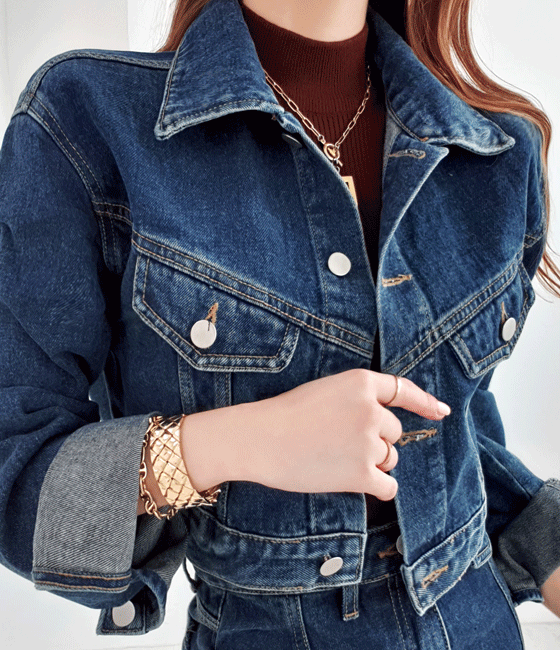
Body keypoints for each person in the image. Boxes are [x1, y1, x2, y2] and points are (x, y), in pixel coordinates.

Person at [0, 0, 559, 647]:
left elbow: (452, 431)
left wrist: (546, 550)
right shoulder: (86, 118)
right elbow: (17, 478)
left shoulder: (498, 148)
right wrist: (243, 441)